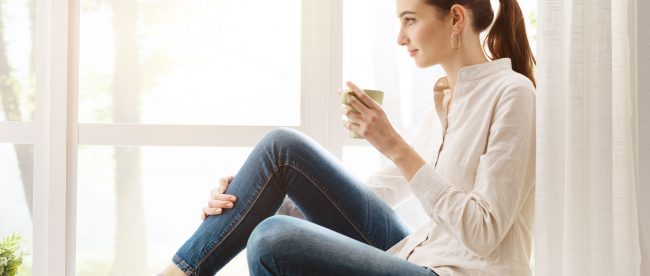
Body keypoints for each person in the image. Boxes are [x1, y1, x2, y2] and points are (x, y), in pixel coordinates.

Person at [160, 0, 536, 274]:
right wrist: (249, 197)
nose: (400, 37)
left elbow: (485, 232)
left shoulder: (512, 93)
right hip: (413, 256)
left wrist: (392, 144)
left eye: (409, 20)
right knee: (281, 149)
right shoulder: (445, 100)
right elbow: (381, 192)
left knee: (274, 239)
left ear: (455, 17)